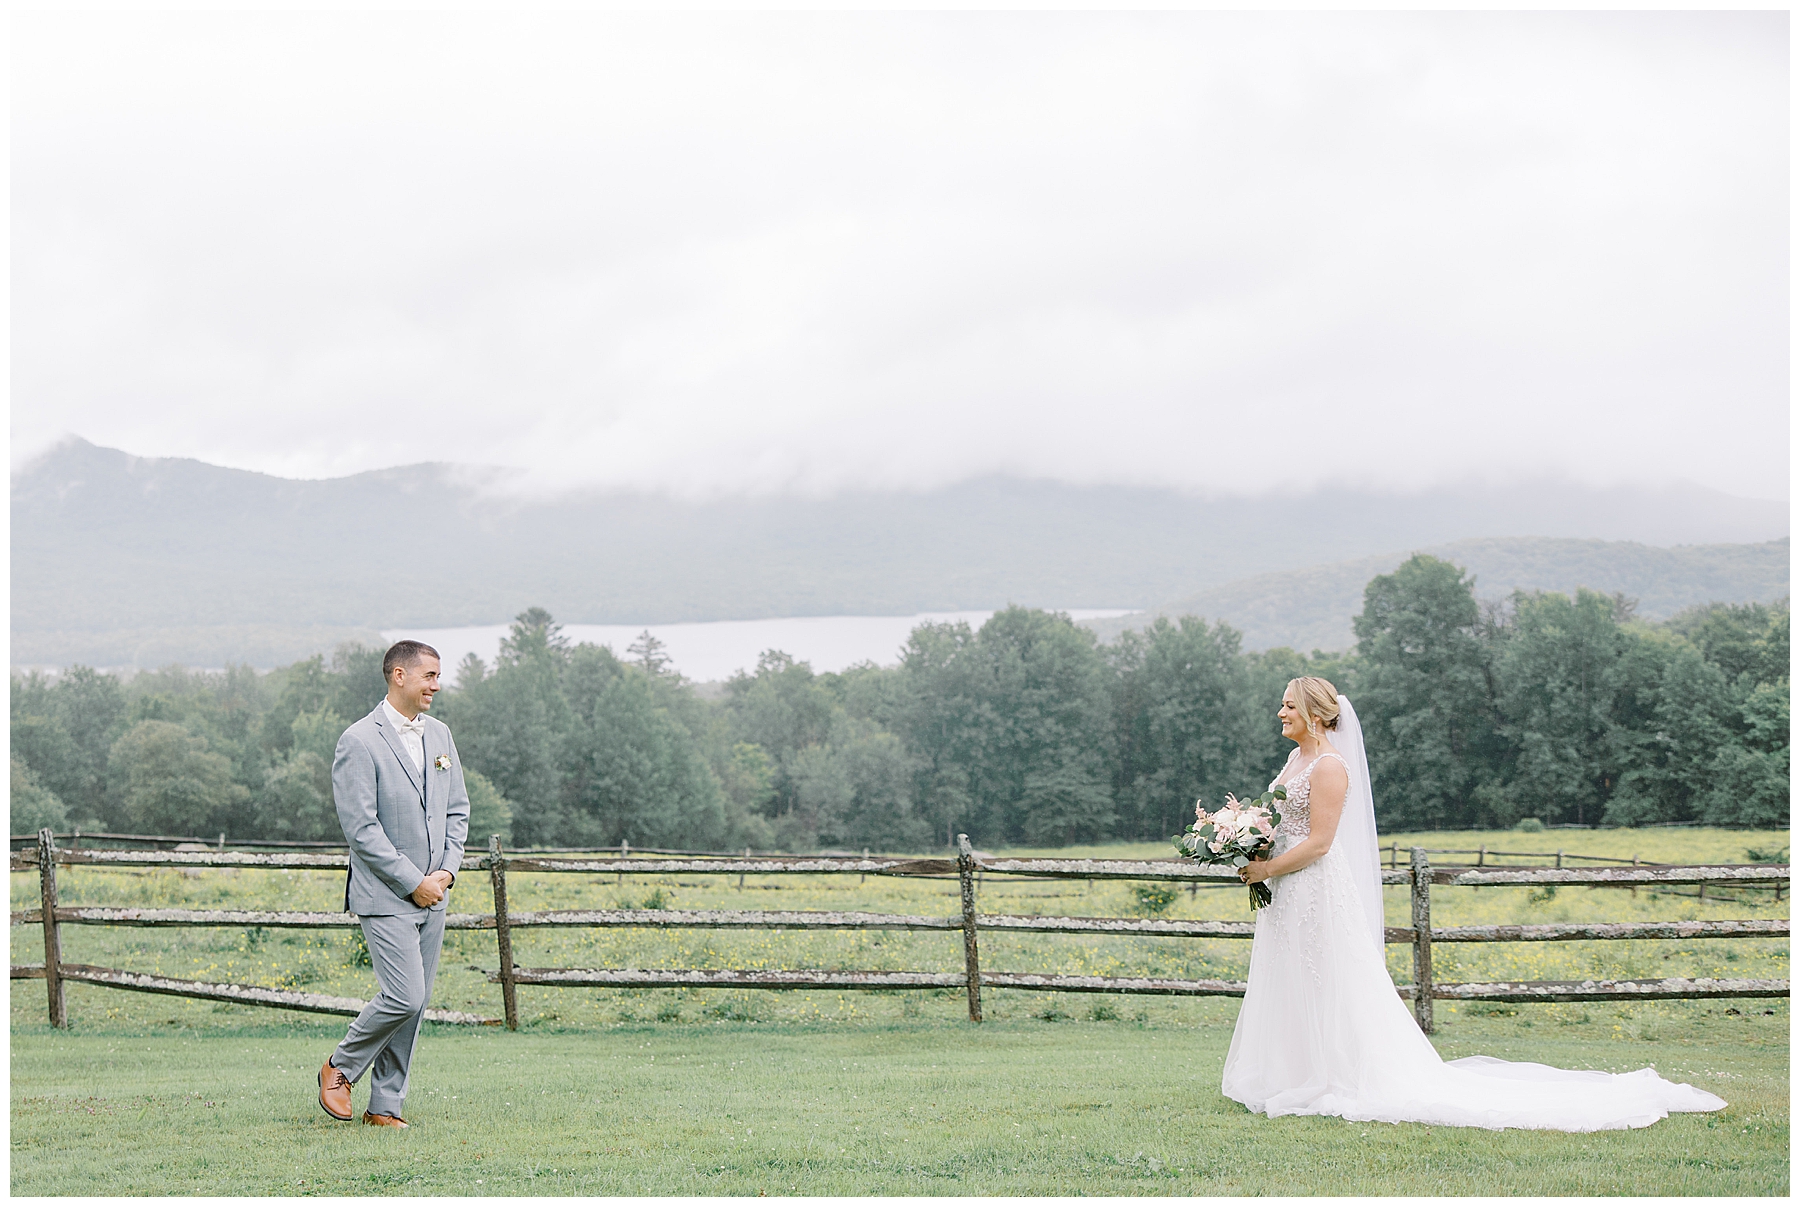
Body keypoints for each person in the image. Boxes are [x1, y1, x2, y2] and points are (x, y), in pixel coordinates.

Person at [1219, 675, 1726, 1131]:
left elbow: (1322, 842)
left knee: (1329, 976)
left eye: (1288, 706)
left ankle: (1337, 1075)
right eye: (1282, 706)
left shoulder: (1330, 766)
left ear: (1314, 713)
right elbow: (1282, 823)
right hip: (1286, 890)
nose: (1280, 714)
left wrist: (1265, 868)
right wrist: (1250, 842)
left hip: (1316, 888)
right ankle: (1294, 1071)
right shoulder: (1294, 760)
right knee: (1291, 974)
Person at [317, 640, 470, 1128]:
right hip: (385, 895)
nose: (436, 685)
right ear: (398, 676)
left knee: (416, 1003)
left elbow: (457, 810)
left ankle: (385, 1106)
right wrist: (413, 882)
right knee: (404, 995)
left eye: (438, 676)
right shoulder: (359, 741)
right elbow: (361, 829)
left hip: (435, 895)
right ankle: (340, 1067)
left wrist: (446, 871)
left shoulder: (441, 735)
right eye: (429, 676)